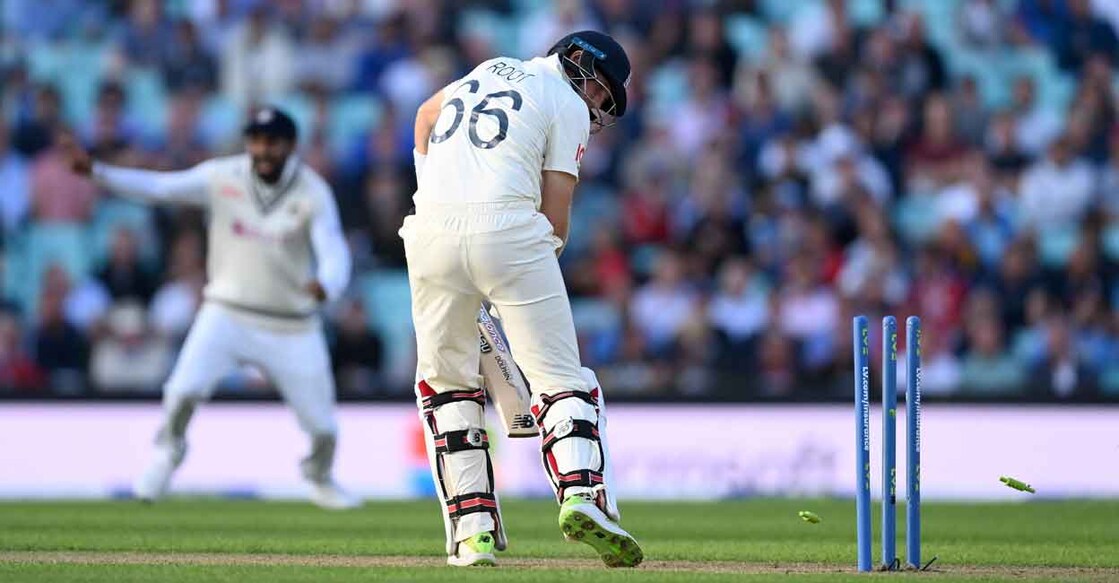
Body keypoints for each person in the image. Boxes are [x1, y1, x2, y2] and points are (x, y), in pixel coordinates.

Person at [404, 31, 641, 567]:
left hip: (428, 232)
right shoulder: (567, 104)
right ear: (576, 59)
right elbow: (555, 221)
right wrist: (511, 278)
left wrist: (434, 194)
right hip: (509, 232)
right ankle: (582, 495)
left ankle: (473, 535)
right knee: (561, 379)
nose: (598, 104)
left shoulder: (489, 67)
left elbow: (423, 116)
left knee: (447, 387)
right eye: (601, 90)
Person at [60, 107, 360, 510]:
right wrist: (98, 173)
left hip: (292, 324)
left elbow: (334, 249)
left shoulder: (312, 190)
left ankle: (319, 478)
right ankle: (167, 452)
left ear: (290, 145)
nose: (262, 149)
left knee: (323, 428)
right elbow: (160, 188)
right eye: (256, 140)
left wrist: (328, 284)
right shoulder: (223, 176)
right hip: (226, 313)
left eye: (271, 141)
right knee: (181, 391)